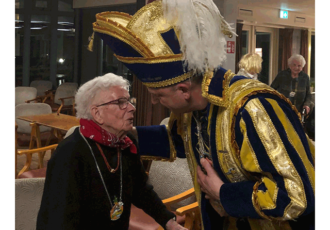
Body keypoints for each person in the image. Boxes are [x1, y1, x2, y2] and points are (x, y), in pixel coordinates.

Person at [90, 0, 315, 229]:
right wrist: (129, 134)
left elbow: (298, 195)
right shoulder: (195, 109)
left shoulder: (253, 108)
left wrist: (222, 192)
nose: (154, 101)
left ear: (184, 90)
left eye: (158, 95)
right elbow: (181, 141)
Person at [36, 73, 186, 230]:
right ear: (97, 113)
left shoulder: (126, 142)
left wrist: (170, 223)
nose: (132, 108)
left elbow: (141, 191)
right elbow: (58, 221)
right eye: (121, 102)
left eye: (129, 101)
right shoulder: (70, 153)